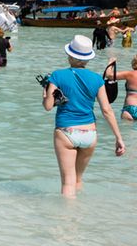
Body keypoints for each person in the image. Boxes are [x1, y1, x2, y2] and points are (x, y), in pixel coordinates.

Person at [42, 35, 125, 198]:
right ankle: (80, 216)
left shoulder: (57, 76)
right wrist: (119, 138)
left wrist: (45, 93)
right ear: (87, 59)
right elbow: (107, 110)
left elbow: (48, 106)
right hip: (89, 134)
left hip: (66, 131)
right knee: (78, 180)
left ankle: (67, 219)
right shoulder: (97, 79)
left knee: (67, 182)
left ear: (71, 55)